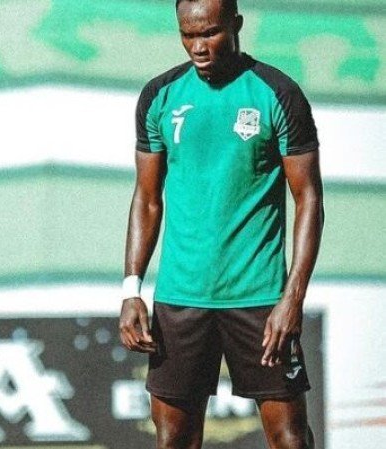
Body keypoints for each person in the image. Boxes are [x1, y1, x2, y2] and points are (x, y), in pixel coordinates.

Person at [118, 0, 324, 448]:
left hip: (260, 300)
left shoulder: (277, 93)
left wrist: (292, 298)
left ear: (236, 25)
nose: (198, 47)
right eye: (188, 35)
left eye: (209, 33)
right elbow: (147, 199)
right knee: (173, 439)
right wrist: (131, 290)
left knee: (289, 439)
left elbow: (308, 198)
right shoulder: (160, 96)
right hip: (180, 298)